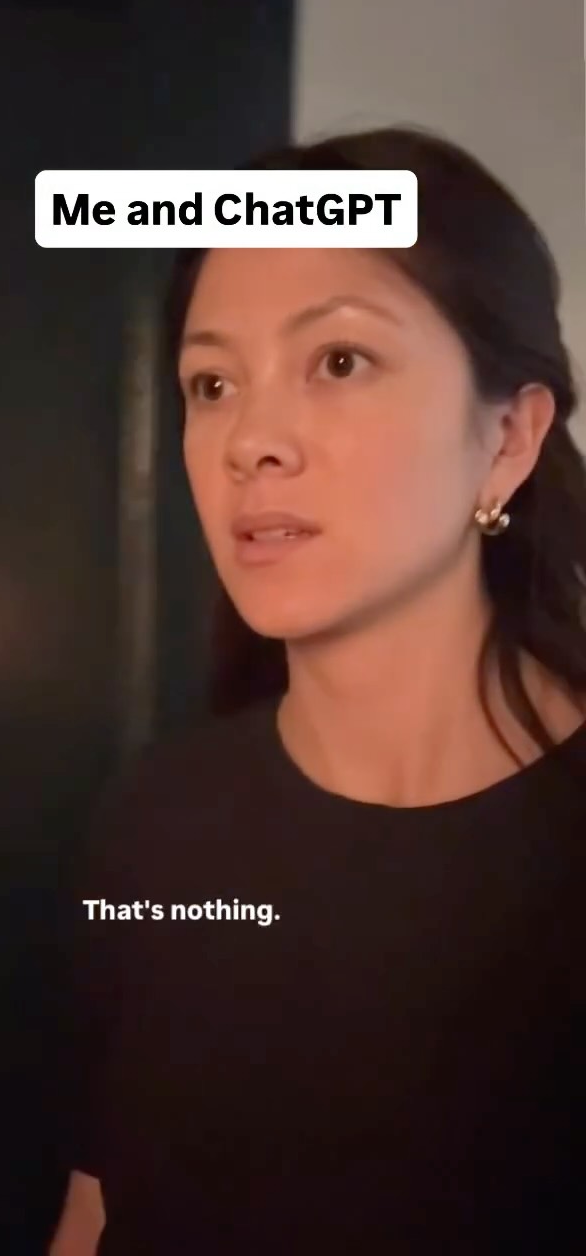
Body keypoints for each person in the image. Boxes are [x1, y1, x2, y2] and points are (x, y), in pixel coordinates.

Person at [49, 126, 586, 1255]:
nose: (250, 440)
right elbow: (97, 1212)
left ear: (508, 438)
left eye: (339, 361)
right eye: (211, 383)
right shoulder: (155, 826)